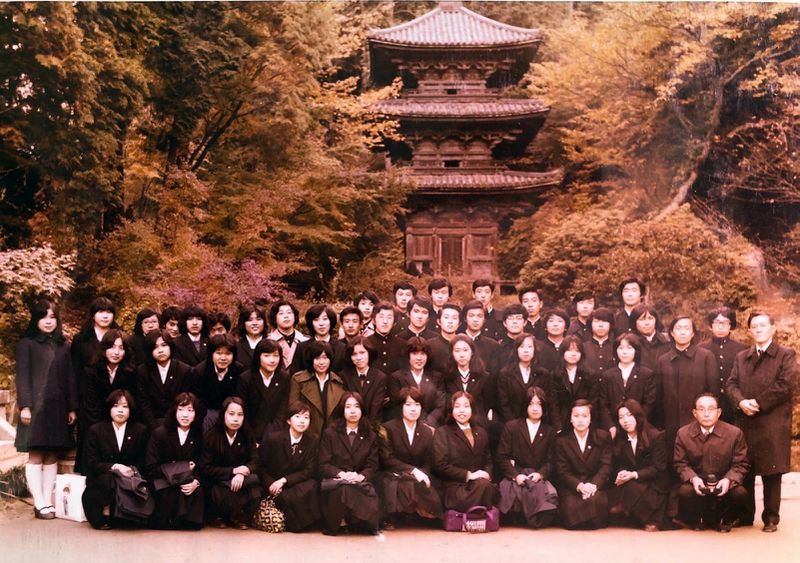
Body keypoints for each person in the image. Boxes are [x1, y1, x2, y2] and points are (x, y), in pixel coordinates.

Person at [725, 311, 797, 533]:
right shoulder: (742, 357)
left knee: (771, 472)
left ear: (773, 328)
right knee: (745, 469)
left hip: (772, 422)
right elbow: (731, 384)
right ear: (749, 331)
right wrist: (741, 402)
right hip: (745, 421)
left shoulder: (786, 354)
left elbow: (786, 385)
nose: (758, 329)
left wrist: (758, 403)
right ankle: (746, 515)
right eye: (754, 326)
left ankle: (771, 517)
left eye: (763, 325)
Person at [15, 299, 78, 520]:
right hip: (35, 409)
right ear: (36, 319)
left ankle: (48, 502)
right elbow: (22, 377)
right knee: (36, 454)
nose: (48, 321)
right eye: (43, 317)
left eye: (52, 317)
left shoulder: (63, 346)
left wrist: (72, 407)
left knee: (52, 455)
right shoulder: (27, 344)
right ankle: (39, 502)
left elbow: (70, 378)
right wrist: (25, 406)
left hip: (58, 408)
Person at [673, 394, 749, 533]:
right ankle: (697, 519)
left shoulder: (734, 433)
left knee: (740, 494)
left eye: (711, 409)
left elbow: (741, 464)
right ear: (694, 413)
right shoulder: (683, 433)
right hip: (699, 484)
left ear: (718, 412)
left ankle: (725, 519)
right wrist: (693, 478)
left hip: (723, 483)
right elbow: (680, 463)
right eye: (701, 409)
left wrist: (728, 480)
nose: (706, 414)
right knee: (685, 492)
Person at [81, 389, 149, 529]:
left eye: (125, 406)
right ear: (109, 408)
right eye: (116, 406)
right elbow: (91, 463)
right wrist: (115, 466)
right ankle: (103, 514)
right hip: (104, 480)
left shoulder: (140, 430)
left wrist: (132, 470)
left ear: (131, 409)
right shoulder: (96, 430)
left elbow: (144, 460)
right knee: (109, 479)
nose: (120, 411)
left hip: (130, 481)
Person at [318, 392, 381, 535]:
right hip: (337, 483)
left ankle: (355, 520)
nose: (353, 411)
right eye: (348, 407)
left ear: (362, 410)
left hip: (359, 483)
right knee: (344, 489)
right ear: (342, 410)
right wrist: (342, 474)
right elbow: (323, 465)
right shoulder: (330, 433)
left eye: (356, 406)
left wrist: (361, 476)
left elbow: (373, 466)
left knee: (358, 491)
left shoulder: (370, 435)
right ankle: (346, 520)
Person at [379, 386, 443, 527]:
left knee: (429, 497)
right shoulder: (387, 428)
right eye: (408, 405)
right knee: (405, 486)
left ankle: (414, 513)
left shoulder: (427, 431)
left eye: (417, 404)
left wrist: (422, 473)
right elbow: (387, 459)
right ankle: (397, 515)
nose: (413, 409)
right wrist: (413, 471)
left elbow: (429, 461)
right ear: (401, 407)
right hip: (394, 475)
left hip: (420, 476)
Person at [656, 315, 717, 458]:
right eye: (678, 328)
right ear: (672, 333)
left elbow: (713, 391)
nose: (682, 332)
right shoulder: (663, 360)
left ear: (693, 333)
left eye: (687, 328)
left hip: (699, 421)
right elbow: (659, 397)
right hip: (671, 423)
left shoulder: (706, 357)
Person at [496, 387, 558, 528]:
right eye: (531, 404)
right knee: (509, 495)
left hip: (537, 476)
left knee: (547, 496)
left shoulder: (550, 431)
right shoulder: (511, 427)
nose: (535, 408)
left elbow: (551, 460)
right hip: (516, 475)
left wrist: (540, 474)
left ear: (544, 407)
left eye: (539, 404)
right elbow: (502, 457)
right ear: (525, 405)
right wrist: (515, 476)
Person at [258, 400, 321, 532]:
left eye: (306, 417)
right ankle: (296, 521)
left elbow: (309, 471)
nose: (302, 421)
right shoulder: (273, 439)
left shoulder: (311, 442)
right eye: (297, 416)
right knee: (291, 498)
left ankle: (297, 522)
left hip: (294, 484)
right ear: (288, 420)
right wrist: (271, 484)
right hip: (274, 486)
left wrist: (284, 480)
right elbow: (261, 466)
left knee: (312, 485)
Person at [145, 392, 205, 530]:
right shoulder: (160, 433)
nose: (185, 415)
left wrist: (196, 482)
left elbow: (201, 464)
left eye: (190, 410)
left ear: (196, 413)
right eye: (181, 409)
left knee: (197, 492)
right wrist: (183, 468)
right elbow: (150, 467)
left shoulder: (198, 434)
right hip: (164, 480)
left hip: (189, 481)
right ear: (174, 411)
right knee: (171, 492)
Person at [201, 396, 261, 529]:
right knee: (222, 491)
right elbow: (205, 468)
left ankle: (237, 516)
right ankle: (219, 516)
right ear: (223, 415)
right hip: (219, 481)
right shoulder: (211, 436)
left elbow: (255, 460)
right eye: (231, 414)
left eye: (240, 415)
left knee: (254, 480)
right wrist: (233, 471)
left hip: (241, 480)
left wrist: (242, 472)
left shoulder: (247, 434)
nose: (236, 419)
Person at [433, 391, 498, 513]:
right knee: (485, 488)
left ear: (472, 409)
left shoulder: (482, 432)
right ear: (451, 410)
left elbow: (488, 461)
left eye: (466, 406)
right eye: (457, 406)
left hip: (480, 484)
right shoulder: (442, 432)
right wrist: (468, 475)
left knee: (488, 487)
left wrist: (486, 474)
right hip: (455, 487)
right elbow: (440, 465)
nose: (462, 410)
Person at [609, 399, 668, 531]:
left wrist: (634, 475)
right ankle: (632, 512)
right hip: (633, 482)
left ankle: (651, 518)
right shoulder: (620, 438)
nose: (625, 420)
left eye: (629, 415)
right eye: (621, 417)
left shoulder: (655, 435)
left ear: (638, 415)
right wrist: (622, 472)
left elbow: (658, 468)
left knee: (631, 488)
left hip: (653, 484)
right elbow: (621, 462)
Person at [554, 400, 612, 530]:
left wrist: (593, 485)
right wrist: (579, 486)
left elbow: (606, 466)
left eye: (585, 416)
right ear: (570, 418)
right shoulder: (561, 441)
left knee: (595, 501)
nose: (580, 420)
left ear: (591, 419)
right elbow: (562, 471)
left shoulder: (602, 437)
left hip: (594, 485)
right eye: (576, 416)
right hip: (572, 487)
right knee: (571, 506)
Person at [597, 333, 657, 437]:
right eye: (620, 348)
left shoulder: (646, 374)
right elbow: (603, 404)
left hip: (640, 427)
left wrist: (637, 422)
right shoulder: (608, 375)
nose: (624, 352)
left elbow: (649, 403)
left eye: (629, 348)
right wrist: (610, 425)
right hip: (615, 428)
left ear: (636, 350)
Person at [82, 329, 138, 433]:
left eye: (121, 348)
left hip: (123, 424)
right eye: (112, 347)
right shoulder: (91, 371)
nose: (116, 352)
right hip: (96, 425)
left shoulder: (131, 373)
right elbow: (91, 405)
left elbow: (132, 405)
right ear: (104, 348)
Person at [137, 329, 195, 431]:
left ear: (170, 346)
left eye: (164, 345)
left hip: (177, 422)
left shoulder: (184, 370)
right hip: (152, 423)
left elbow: (185, 401)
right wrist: (154, 427)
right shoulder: (143, 371)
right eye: (155, 347)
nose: (160, 350)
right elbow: (143, 402)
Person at [496, 333, 558, 428]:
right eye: (522, 347)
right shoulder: (505, 373)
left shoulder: (543, 374)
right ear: (516, 350)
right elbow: (503, 404)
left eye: (529, 347)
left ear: (534, 350)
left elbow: (550, 402)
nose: (526, 350)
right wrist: (515, 425)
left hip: (539, 424)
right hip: (513, 426)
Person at [288, 340, 345, 440]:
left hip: (331, 438)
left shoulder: (338, 382)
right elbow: (293, 409)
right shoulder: (298, 380)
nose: (321, 362)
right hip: (306, 436)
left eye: (325, 358)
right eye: (317, 358)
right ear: (311, 360)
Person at [699, 307, 747, 424]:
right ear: (711, 326)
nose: (720, 327)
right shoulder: (700, 349)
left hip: (734, 405)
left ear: (731, 326)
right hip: (708, 406)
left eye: (725, 323)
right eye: (717, 323)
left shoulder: (743, 350)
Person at [236, 338, 290, 439]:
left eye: (276, 356)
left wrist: (272, 436)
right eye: (266, 356)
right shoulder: (246, 378)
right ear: (258, 357)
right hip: (251, 432)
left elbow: (282, 411)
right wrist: (252, 438)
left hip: (276, 432)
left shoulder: (284, 377)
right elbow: (244, 412)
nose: (272, 360)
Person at [387, 337, 445, 426]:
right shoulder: (397, 377)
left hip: (431, 426)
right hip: (406, 425)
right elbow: (397, 407)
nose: (419, 358)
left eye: (423, 354)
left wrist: (428, 424)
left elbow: (440, 406)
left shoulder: (437, 377)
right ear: (408, 355)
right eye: (414, 353)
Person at [442, 335, 493, 430]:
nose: (462, 355)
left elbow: (487, 404)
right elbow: (445, 404)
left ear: (472, 352)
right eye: (457, 351)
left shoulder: (484, 377)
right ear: (452, 353)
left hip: (478, 425)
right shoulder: (446, 377)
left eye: (465, 350)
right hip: (452, 425)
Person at [194, 334, 243, 432]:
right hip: (208, 412)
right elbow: (198, 400)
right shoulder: (200, 371)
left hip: (231, 411)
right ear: (211, 354)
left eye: (228, 354)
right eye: (219, 353)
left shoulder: (238, 369)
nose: (223, 358)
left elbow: (239, 396)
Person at [341, 335, 388, 428]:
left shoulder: (380, 377)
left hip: (372, 427)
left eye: (362, 353)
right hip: (348, 426)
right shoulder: (343, 376)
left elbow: (376, 409)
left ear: (369, 353)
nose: (359, 357)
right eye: (354, 354)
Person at [552, 335, 596, 433]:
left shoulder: (590, 375)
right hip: (562, 424)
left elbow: (593, 402)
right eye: (569, 350)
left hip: (584, 423)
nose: (573, 354)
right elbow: (553, 404)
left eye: (577, 351)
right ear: (562, 352)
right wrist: (558, 427)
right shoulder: (555, 375)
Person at [292, 304, 346, 374]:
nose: (321, 324)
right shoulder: (302, 348)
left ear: (331, 321)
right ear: (311, 323)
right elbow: (295, 374)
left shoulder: (341, 348)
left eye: (325, 319)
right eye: (316, 320)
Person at [364, 302, 407, 375]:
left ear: (394, 323)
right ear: (374, 320)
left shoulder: (403, 345)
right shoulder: (365, 343)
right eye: (381, 317)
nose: (385, 321)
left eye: (389, 318)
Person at [268, 300, 309, 370]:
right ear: (274, 318)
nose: (286, 316)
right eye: (281, 313)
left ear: (295, 316)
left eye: (289, 312)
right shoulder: (268, 341)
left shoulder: (306, 341)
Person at [630, 304, 671, 372]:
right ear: (634, 322)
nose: (647, 323)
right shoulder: (630, 343)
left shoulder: (667, 341)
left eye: (650, 318)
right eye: (642, 319)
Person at [583, 308, 616, 379]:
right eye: (597, 321)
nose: (601, 325)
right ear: (590, 324)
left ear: (611, 324)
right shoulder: (582, 348)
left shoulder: (617, 347)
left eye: (604, 321)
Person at [535, 308, 570, 374]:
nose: (555, 324)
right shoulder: (537, 347)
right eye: (551, 321)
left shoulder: (570, 346)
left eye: (560, 321)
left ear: (566, 327)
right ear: (545, 326)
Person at [234, 304, 267, 370]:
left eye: (259, 319)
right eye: (250, 320)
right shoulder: (236, 347)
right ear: (243, 323)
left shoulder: (272, 344)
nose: (254, 323)